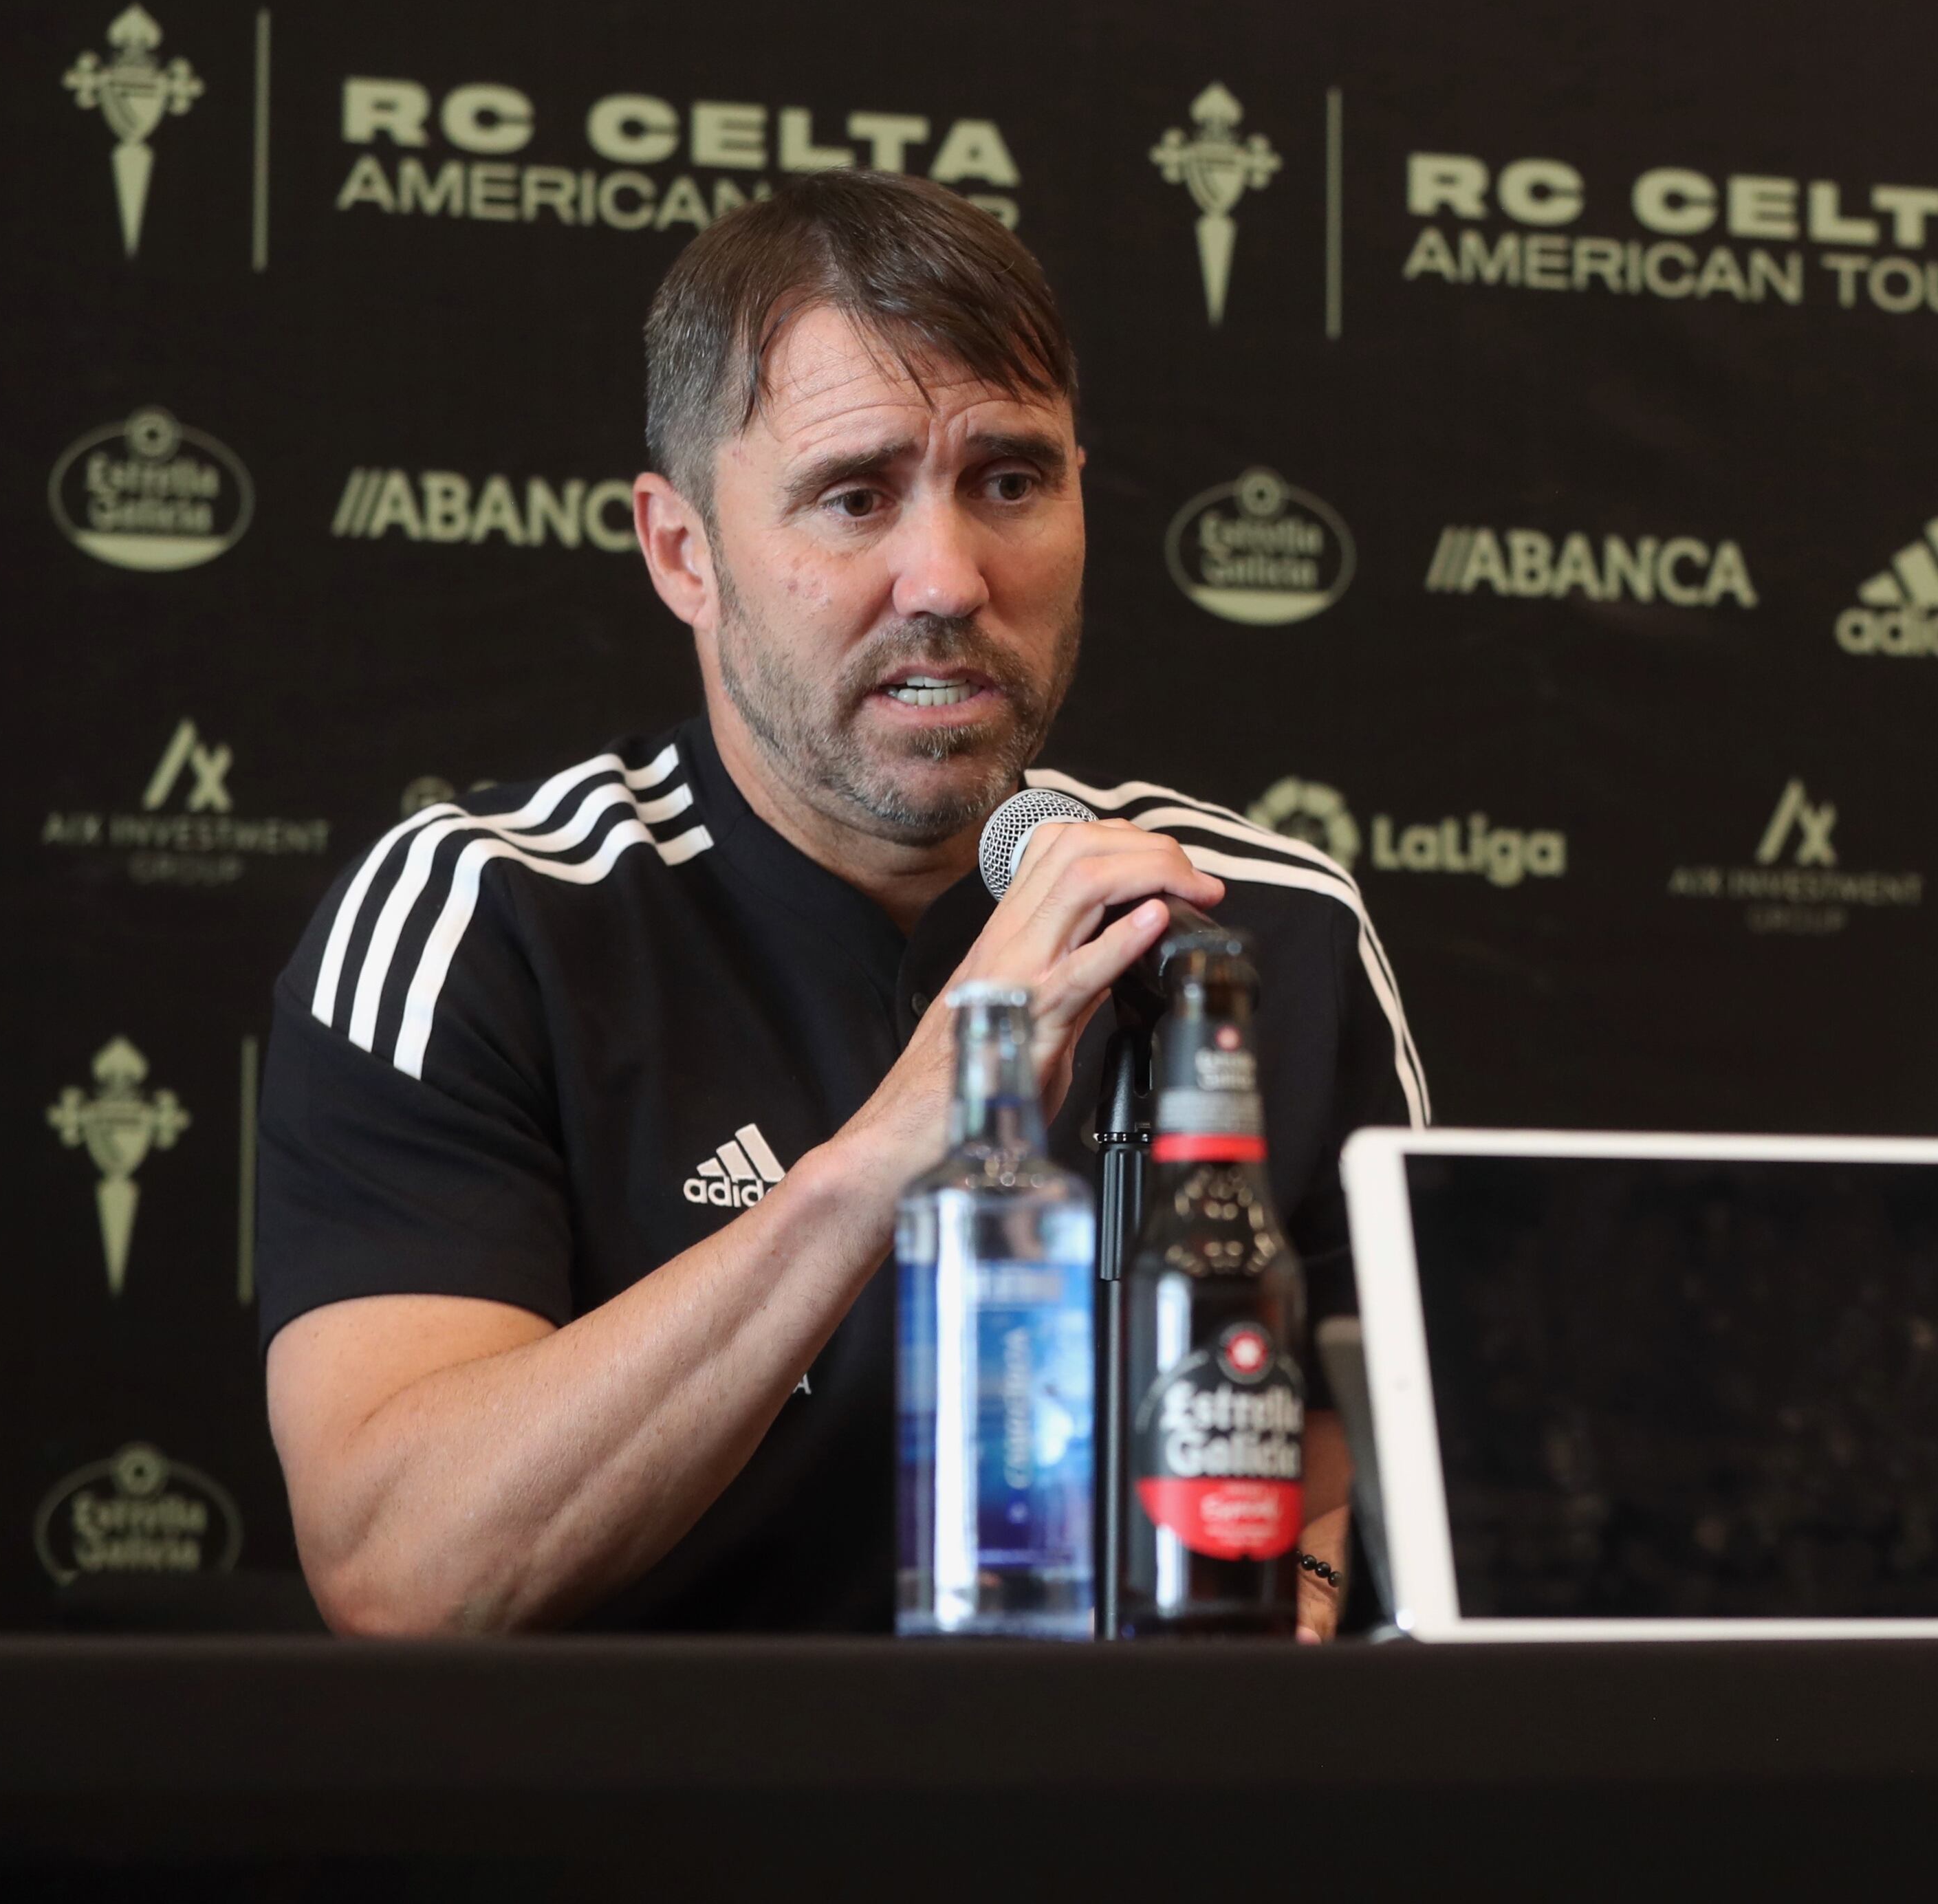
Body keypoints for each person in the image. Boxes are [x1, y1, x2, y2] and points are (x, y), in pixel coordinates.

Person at [257, 171, 1425, 1635]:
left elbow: (1382, 1463)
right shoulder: (487, 916)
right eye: (853, 494)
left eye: (1009, 479)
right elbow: (403, 1569)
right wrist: (901, 1140)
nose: (944, 576)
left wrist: (1304, 1592)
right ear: (686, 550)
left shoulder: (1255, 915)